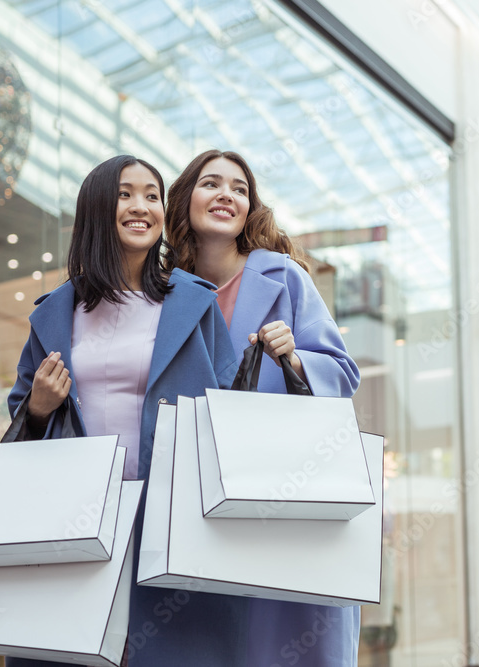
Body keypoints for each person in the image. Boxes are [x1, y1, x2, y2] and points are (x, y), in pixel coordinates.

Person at [6, 154, 245, 667]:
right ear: (96, 207)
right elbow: (19, 422)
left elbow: (230, 408)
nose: (142, 207)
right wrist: (41, 407)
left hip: (171, 520)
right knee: (68, 651)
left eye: (152, 195)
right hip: (75, 521)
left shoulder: (193, 303)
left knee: (179, 650)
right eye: (125, 194)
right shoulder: (54, 311)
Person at [165, 149, 362, 666]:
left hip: (284, 495)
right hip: (201, 504)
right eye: (211, 184)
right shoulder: (164, 294)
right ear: (186, 200)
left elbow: (343, 376)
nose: (226, 195)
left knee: (281, 641)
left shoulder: (284, 279)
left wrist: (293, 355)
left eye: (239, 188)